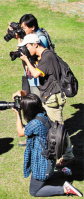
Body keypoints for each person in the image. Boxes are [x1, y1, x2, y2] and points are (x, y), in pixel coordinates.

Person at [17, 33, 75, 168]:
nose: (26, 49)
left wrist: (26, 59)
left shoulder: (48, 56)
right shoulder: (43, 56)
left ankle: (68, 156)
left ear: (35, 44)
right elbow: (31, 72)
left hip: (53, 97)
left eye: (27, 47)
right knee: (56, 127)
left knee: (58, 129)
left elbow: (35, 73)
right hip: (50, 96)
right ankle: (64, 154)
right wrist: (26, 59)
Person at [11, 92, 82, 197]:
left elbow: (20, 132)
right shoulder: (42, 113)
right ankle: (64, 172)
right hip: (49, 157)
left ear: (28, 110)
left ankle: (65, 189)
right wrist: (21, 95)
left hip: (42, 162)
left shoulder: (35, 123)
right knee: (45, 176)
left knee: (34, 191)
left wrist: (18, 115)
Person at [9, 14, 49, 146]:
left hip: (38, 79)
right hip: (30, 76)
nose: (22, 30)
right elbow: (23, 51)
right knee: (30, 106)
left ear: (32, 27)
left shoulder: (39, 38)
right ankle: (31, 134)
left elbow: (35, 57)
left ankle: (39, 134)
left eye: (24, 28)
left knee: (36, 107)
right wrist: (18, 38)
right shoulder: (29, 37)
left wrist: (25, 57)